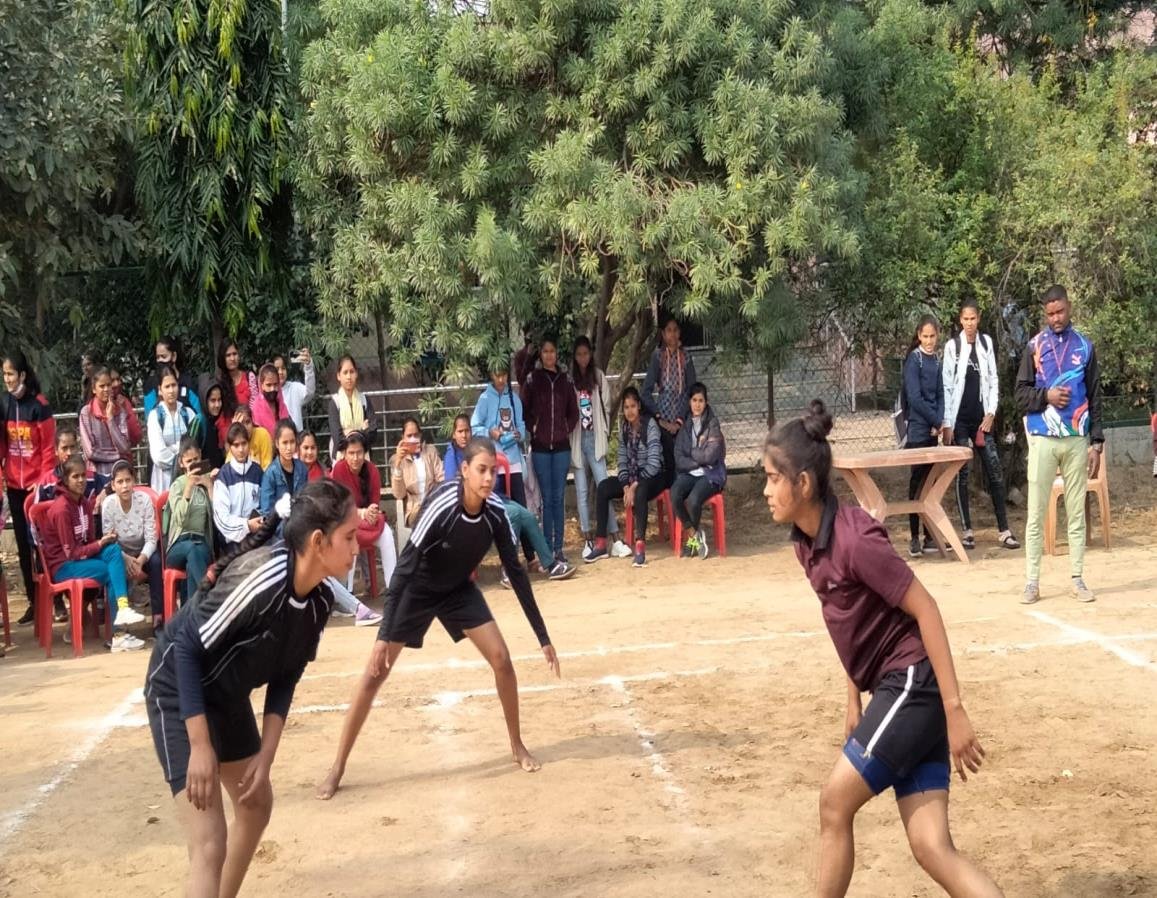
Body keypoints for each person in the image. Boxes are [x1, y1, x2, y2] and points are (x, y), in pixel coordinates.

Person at [761, 400, 1002, 898]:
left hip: (913, 685)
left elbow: (927, 609)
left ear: (803, 483)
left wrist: (954, 710)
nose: (765, 490)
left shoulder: (855, 540)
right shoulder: (806, 540)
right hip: (901, 691)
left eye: (771, 478)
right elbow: (851, 622)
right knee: (932, 845)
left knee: (833, 804)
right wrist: (852, 698)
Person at [144, 479, 358, 898]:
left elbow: (287, 674)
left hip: (224, 693)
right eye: (349, 537)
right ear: (318, 541)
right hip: (177, 685)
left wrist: (267, 753)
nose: (356, 547)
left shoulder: (318, 601)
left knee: (256, 806)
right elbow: (186, 647)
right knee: (209, 842)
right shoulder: (260, 580)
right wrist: (201, 745)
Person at [315, 438, 561, 801]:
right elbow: (404, 569)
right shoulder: (443, 504)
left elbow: (517, 573)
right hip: (418, 586)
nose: (489, 478)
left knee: (502, 660)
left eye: (493, 471)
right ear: (463, 470)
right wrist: (383, 635)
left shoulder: (495, 512)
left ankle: (516, 745)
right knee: (374, 673)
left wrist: (543, 637)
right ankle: (337, 767)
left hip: (457, 589)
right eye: (481, 470)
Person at [1015, 285, 1104, 605]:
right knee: (1036, 512)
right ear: (1045, 313)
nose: (1056, 318)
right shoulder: (1034, 346)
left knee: (1076, 511)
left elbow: (1095, 395)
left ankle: (1078, 577)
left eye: (1060, 311)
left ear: (1069, 308)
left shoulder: (1085, 346)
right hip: (1042, 438)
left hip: (1077, 438)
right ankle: (1032, 581)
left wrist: (1097, 441)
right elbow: (1020, 395)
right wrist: (1047, 396)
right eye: (1050, 313)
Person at [43, 454, 147, 651]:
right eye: (75, 476)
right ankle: (118, 634)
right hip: (63, 566)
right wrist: (99, 544)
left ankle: (123, 609)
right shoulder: (61, 509)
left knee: (114, 550)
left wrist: (103, 543)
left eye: (83, 475)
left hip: (81, 558)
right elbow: (71, 553)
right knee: (112, 571)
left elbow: (89, 542)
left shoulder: (84, 503)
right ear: (65, 480)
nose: (81, 480)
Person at [941, 301, 1019, 552]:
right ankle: (967, 532)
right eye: (966, 319)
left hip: (982, 421)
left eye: (973, 318)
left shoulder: (986, 344)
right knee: (963, 475)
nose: (970, 323)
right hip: (960, 421)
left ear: (979, 318)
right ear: (960, 320)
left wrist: (991, 413)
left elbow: (994, 380)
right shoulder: (953, 347)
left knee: (995, 472)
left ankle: (1004, 530)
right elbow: (947, 386)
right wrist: (948, 424)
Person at [1, 350, 55, 625]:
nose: (7, 379)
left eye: (10, 374)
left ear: (22, 374)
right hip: (14, 485)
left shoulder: (40, 405)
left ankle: (56, 600)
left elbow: (48, 450)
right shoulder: (3, 404)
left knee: (42, 544)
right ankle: (35, 602)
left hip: (38, 487)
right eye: (4, 375)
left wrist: (42, 482)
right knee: (23, 546)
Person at [585, 386, 664, 567]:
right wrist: (625, 485)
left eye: (633, 406)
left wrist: (634, 485)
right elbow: (622, 462)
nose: (629, 411)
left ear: (639, 407)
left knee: (641, 491)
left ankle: (640, 546)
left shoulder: (650, 426)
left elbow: (654, 463)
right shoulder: (624, 429)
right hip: (632, 479)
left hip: (653, 477)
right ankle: (601, 543)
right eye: (626, 407)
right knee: (604, 486)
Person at [521, 337, 578, 563]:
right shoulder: (533, 380)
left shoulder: (566, 380)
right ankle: (546, 551)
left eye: (552, 351)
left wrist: (565, 428)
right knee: (545, 499)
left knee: (558, 497)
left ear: (556, 354)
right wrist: (534, 429)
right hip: (541, 449)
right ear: (541, 355)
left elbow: (574, 412)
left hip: (562, 448)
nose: (549, 355)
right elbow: (524, 410)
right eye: (545, 351)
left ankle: (558, 548)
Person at [331, 431, 397, 604]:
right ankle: (349, 593)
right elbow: (341, 505)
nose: (355, 458)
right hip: (346, 521)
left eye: (359, 452)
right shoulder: (338, 469)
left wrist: (371, 512)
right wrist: (361, 512)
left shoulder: (372, 471)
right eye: (351, 453)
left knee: (388, 536)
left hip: (368, 522)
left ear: (365, 453)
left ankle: (393, 589)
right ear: (344, 454)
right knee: (349, 538)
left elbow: (375, 503)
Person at [570, 336, 619, 559]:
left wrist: (605, 432)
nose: (583, 358)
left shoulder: (598, 377)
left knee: (604, 487)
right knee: (581, 491)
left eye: (586, 353)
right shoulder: (570, 380)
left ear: (591, 354)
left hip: (594, 439)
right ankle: (588, 538)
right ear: (574, 356)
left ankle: (615, 536)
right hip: (577, 440)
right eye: (579, 354)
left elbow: (607, 406)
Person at [103, 460, 164, 633]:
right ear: (113, 485)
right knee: (113, 566)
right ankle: (119, 628)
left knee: (156, 563)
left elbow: (152, 538)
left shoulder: (144, 501)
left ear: (134, 481)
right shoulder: (108, 505)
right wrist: (126, 559)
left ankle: (158, 619)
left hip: (143, 551)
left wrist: (140, 560)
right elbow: (109, 539)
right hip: (120, 553)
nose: (125, 486)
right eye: (120, 482)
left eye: (128, 480)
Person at [903, 316, 944, 558]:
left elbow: (939, 394)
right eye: (925, 336)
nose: (929, 341)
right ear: (919, 336)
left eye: (933, 336)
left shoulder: (936, 360)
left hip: (932, 431)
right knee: (917, 484)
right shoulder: (913, 360)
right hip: (918, 430)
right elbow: (915, 398)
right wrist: (935, 421)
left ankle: (930, 536)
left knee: (930, 485)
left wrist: (939, 422)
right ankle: (914, 537)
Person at [671, 382, 727, 559]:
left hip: (711, 475)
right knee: (675, 494)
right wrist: (697, 461)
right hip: (691, 473)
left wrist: (693, 453)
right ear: (689, 402)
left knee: (694, 500)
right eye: (694, 400)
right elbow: (679, 457)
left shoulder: (713, 424)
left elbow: (711, 457)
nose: (697, 404)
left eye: (701, 400)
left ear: (706, 402)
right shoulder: (686, 426)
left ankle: (691, 543)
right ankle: (694, 534)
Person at [641, 314, 697, 489]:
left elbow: (692, 390)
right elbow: (646, 391)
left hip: (683, 417)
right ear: (663, 335)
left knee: (683, 462)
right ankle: (670, 507)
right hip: (663, 419)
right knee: (667, 463)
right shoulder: (658, 357)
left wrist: (680, 420)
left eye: (675, 330)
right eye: (668, 331)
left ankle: (682, 506)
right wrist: (660, 419)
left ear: (679, 333)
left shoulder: (686, 357)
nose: (672, 335)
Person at [165, 438, 216, 604]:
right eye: (189, 461)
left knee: (193, 560)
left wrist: (209, 487)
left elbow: (218, 517)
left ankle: (192, 617)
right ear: (181, 463)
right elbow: (179, 519)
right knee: (190, 549)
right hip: (178, 545)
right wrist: (188, 488)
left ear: (200, 457)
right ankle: (208, 597)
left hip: (201, 542)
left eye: (196, 460)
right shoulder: (177, 486)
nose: (193, 464)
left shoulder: (207, 481)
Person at [471, 360, 527, 505]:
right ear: (491, 375)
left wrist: (517, 435)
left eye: (504, 375)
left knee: (520, 506)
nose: (501, 379)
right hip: (494, 461)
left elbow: (521, 427)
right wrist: (490, 432)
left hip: (514, 462)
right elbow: (474, 427)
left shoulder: (514, 399)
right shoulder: (485, 399)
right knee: (498, 506)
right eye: (497, 375)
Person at [79, 366, 139, 486]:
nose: (106, 389)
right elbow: (90, 452)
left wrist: (110, 419)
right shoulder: (86, 412)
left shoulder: (120, 411)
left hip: (119, 473)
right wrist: (117, 455)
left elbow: (124, 447)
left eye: (108, 385)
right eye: (102, 386)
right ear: (94, 389)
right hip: (96, 473)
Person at [148, 366, 201, 493]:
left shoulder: (188, 414)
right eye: (167, 387)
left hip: (189, 477)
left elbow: (193, 448)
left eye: (174, 385)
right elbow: (159, 456)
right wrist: (182, 454)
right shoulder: (155, 416)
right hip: (163, 482)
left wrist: (171, 449)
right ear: (160, 390)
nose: (171, 390)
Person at [212, 423, 265, 547]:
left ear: (249, 443)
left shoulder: (258, 472)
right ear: (229, 447)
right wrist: (246, 525)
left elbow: (265, 506)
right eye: (236, 445)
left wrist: (258, 523)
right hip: (231, 540)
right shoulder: (224, 476)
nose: (241, 449)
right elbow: (221, 519)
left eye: (244, 443)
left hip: (256, 536)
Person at [390, 417, 445, 527]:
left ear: (420, 435)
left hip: (433, 503)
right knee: (423, 515)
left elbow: (442, 479)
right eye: (409, 436)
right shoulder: (397, 459)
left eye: (416, 435)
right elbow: (399, 494)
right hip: (414, 510)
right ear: (403, 438)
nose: (413, 439)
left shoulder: (430, 452)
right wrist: (398, 464)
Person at [326, 355, 378, 461]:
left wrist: (348, 432)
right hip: (341, 459)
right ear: (338, 376)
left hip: (363, 458)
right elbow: (338, 440)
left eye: (352, 372)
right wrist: (362, 431)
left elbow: (373, 434)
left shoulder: (364, 400)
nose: (349, 377)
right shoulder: (335, 403)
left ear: (356, 374)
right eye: (345, 372)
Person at [259, 420, 309, 520]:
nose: (289, 447)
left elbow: (306, 501)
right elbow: (267, 512)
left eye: (292, 442)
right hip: (278, 532)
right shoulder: (270, 474)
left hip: (300, 527)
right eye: (285, 443)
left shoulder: (302, 469)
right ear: (277, 444)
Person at [143, 336, 201, 418]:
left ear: (174, 356)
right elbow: (149, 418)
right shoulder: (151, 385)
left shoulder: (189, 383)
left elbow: (199, 417)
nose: (160, 361)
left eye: (163, 357)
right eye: (157, 357)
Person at [270, 349, 316, 431]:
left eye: (283, 368)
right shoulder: (267, 394)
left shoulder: (294, 388)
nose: (280, 372)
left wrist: (308, 366)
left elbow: (310, 392)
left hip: (296, 439)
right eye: (277, 369)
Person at [216, 339, 258, 421]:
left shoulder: (249, 377)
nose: (232, 358)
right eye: (228, 355)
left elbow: (256, 407)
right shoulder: (219, 382)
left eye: (234, 354)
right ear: (222, 358)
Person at [252, 364, 290, 436]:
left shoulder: (282, 406)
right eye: (269, 385)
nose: (272, 389)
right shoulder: (257, 408)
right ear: (261, 385)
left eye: (275, 384)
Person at [198, 383, 228, 471]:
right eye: (213, 400)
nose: (217, 405)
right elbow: (191, 453)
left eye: (219, 400)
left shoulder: (222, 420)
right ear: (205, 401)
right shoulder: (200, 421)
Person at [233, 405, 272, 470]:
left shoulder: (262, 434)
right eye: (241, 424)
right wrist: (234, 431)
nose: (245, 428)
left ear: (252, 422)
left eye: (248, 422)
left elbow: (267, 467)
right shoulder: (234, 440)